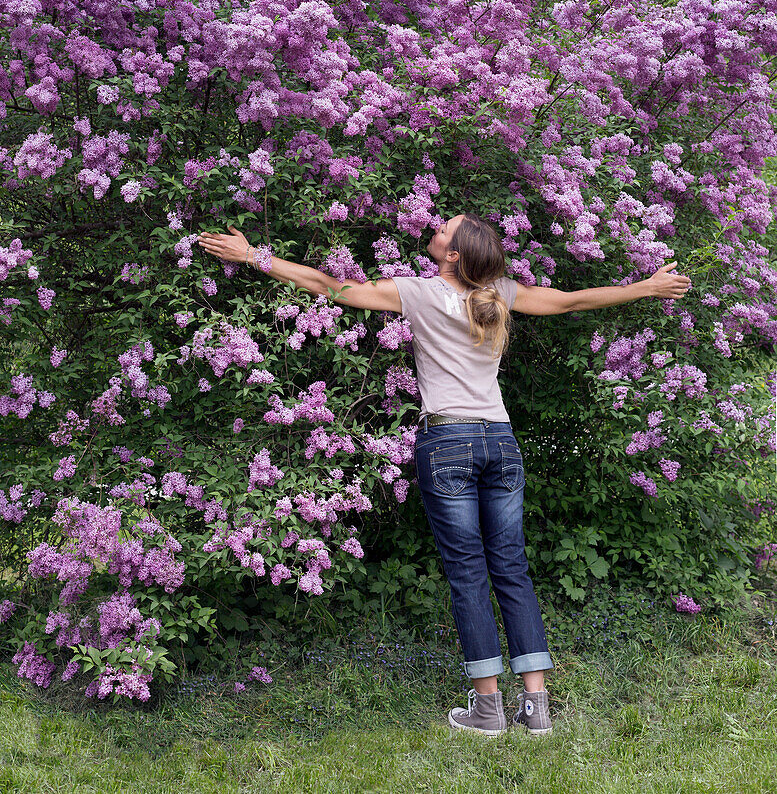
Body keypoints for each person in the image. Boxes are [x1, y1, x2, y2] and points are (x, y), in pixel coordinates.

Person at [197, 213, 691, 737]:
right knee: (512, 569)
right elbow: (571, 299)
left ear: (453, 255)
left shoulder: (419, 293)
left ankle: (487, 710)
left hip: (449, 440)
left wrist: (255, 257)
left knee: (468, 573)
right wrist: (646, 287)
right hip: (500, 440)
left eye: (443, 229)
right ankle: (536, 707)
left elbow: (332, 286)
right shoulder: (501, 293)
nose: (434, 228)